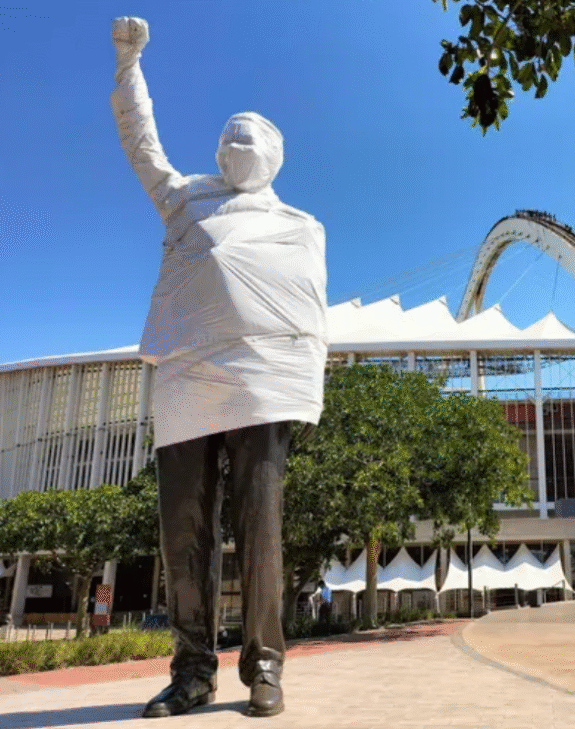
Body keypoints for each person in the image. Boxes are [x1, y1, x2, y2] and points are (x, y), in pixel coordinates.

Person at [110, 17, 327, 719]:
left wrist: (305, 392)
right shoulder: (185, 197)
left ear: (277, 156)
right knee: (183, 534)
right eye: (234, 130)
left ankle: (264, 667)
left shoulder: (301, 224)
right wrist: (128, 66)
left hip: (261, 385)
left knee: (261, 529)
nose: (242, 137)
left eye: (257, 132)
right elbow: (142, 145)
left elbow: (310, 317)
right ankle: (192, 672)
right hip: (184, 383)